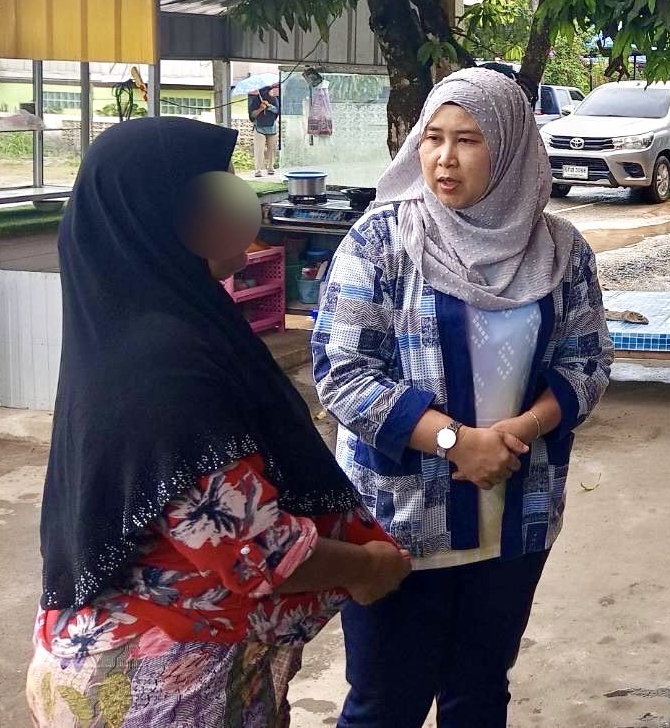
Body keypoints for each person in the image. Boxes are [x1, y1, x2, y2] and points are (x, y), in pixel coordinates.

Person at [29, 117, 409, 728]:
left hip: (161, 656)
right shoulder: (163, 363)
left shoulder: (146, 321)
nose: (242, 205)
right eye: (217, 189)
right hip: (161, 683)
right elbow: (252, 550)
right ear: (161, 215)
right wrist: (371, 567)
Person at [312, 67, 613, 728]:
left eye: (469, 140)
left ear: (507, 149)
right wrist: (456, 442)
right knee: (384, 703)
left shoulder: (561, 250)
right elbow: (343, 372)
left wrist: (522, 430)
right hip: (402, 520)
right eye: (433, 137)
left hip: (516, 513)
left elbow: (586, 361)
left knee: (479, 692)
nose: (444, 158)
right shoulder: (383, 242)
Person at [248, 83, 280, 176]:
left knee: (272, 149)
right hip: (259, 128)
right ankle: (258, 170)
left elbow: (277, 110)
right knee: (259, 149)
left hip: (272, 127)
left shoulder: (274, 99)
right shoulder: (256, 100)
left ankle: (271, 167)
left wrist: (269, 106)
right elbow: (252, 115)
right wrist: (260, 109)